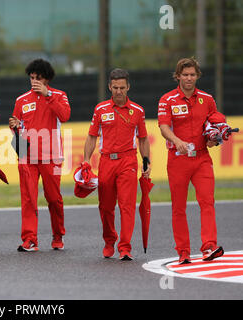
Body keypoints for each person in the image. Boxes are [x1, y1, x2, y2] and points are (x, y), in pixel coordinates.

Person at [158, 57, 224, 264]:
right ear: (177, 76)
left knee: (207, 202)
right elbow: (163, 127)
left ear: (197, 76)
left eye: (192, 74)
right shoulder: (167, 100)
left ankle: (209, 247)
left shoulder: (207, 99)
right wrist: (176, 141)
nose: (188, 78)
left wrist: (216, 139)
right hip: (178, 159)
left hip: (203, 158)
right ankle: (183, 251)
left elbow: (216, 125)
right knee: (179, 207)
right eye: (185, 74)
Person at [83, 68, 151, 261]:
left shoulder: (137, 111)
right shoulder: (100, 109)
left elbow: (144, 139)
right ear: (109, 87)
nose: (119, 91)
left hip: (128, 160)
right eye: (115, 88)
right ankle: (109, 239)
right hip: (106, 161)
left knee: (127, 205)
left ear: (128, 87)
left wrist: (146, 162)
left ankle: (125, 247)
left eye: (122, 87)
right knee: (105, 206)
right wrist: (86, 160)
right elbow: (91, 137)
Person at [9, 59, 71, 252]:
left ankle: (58, 234)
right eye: (32, 78)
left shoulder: (59, 96)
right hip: (28, 157)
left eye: (39, 78)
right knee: (28, 198)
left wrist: (48, 95)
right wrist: (15, 128)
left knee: (53, 198)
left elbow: (65, 115)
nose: (34, 81)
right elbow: (17, 126)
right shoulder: (22, 100)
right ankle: (30, 239)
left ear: (47, 79)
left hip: (52, 156)